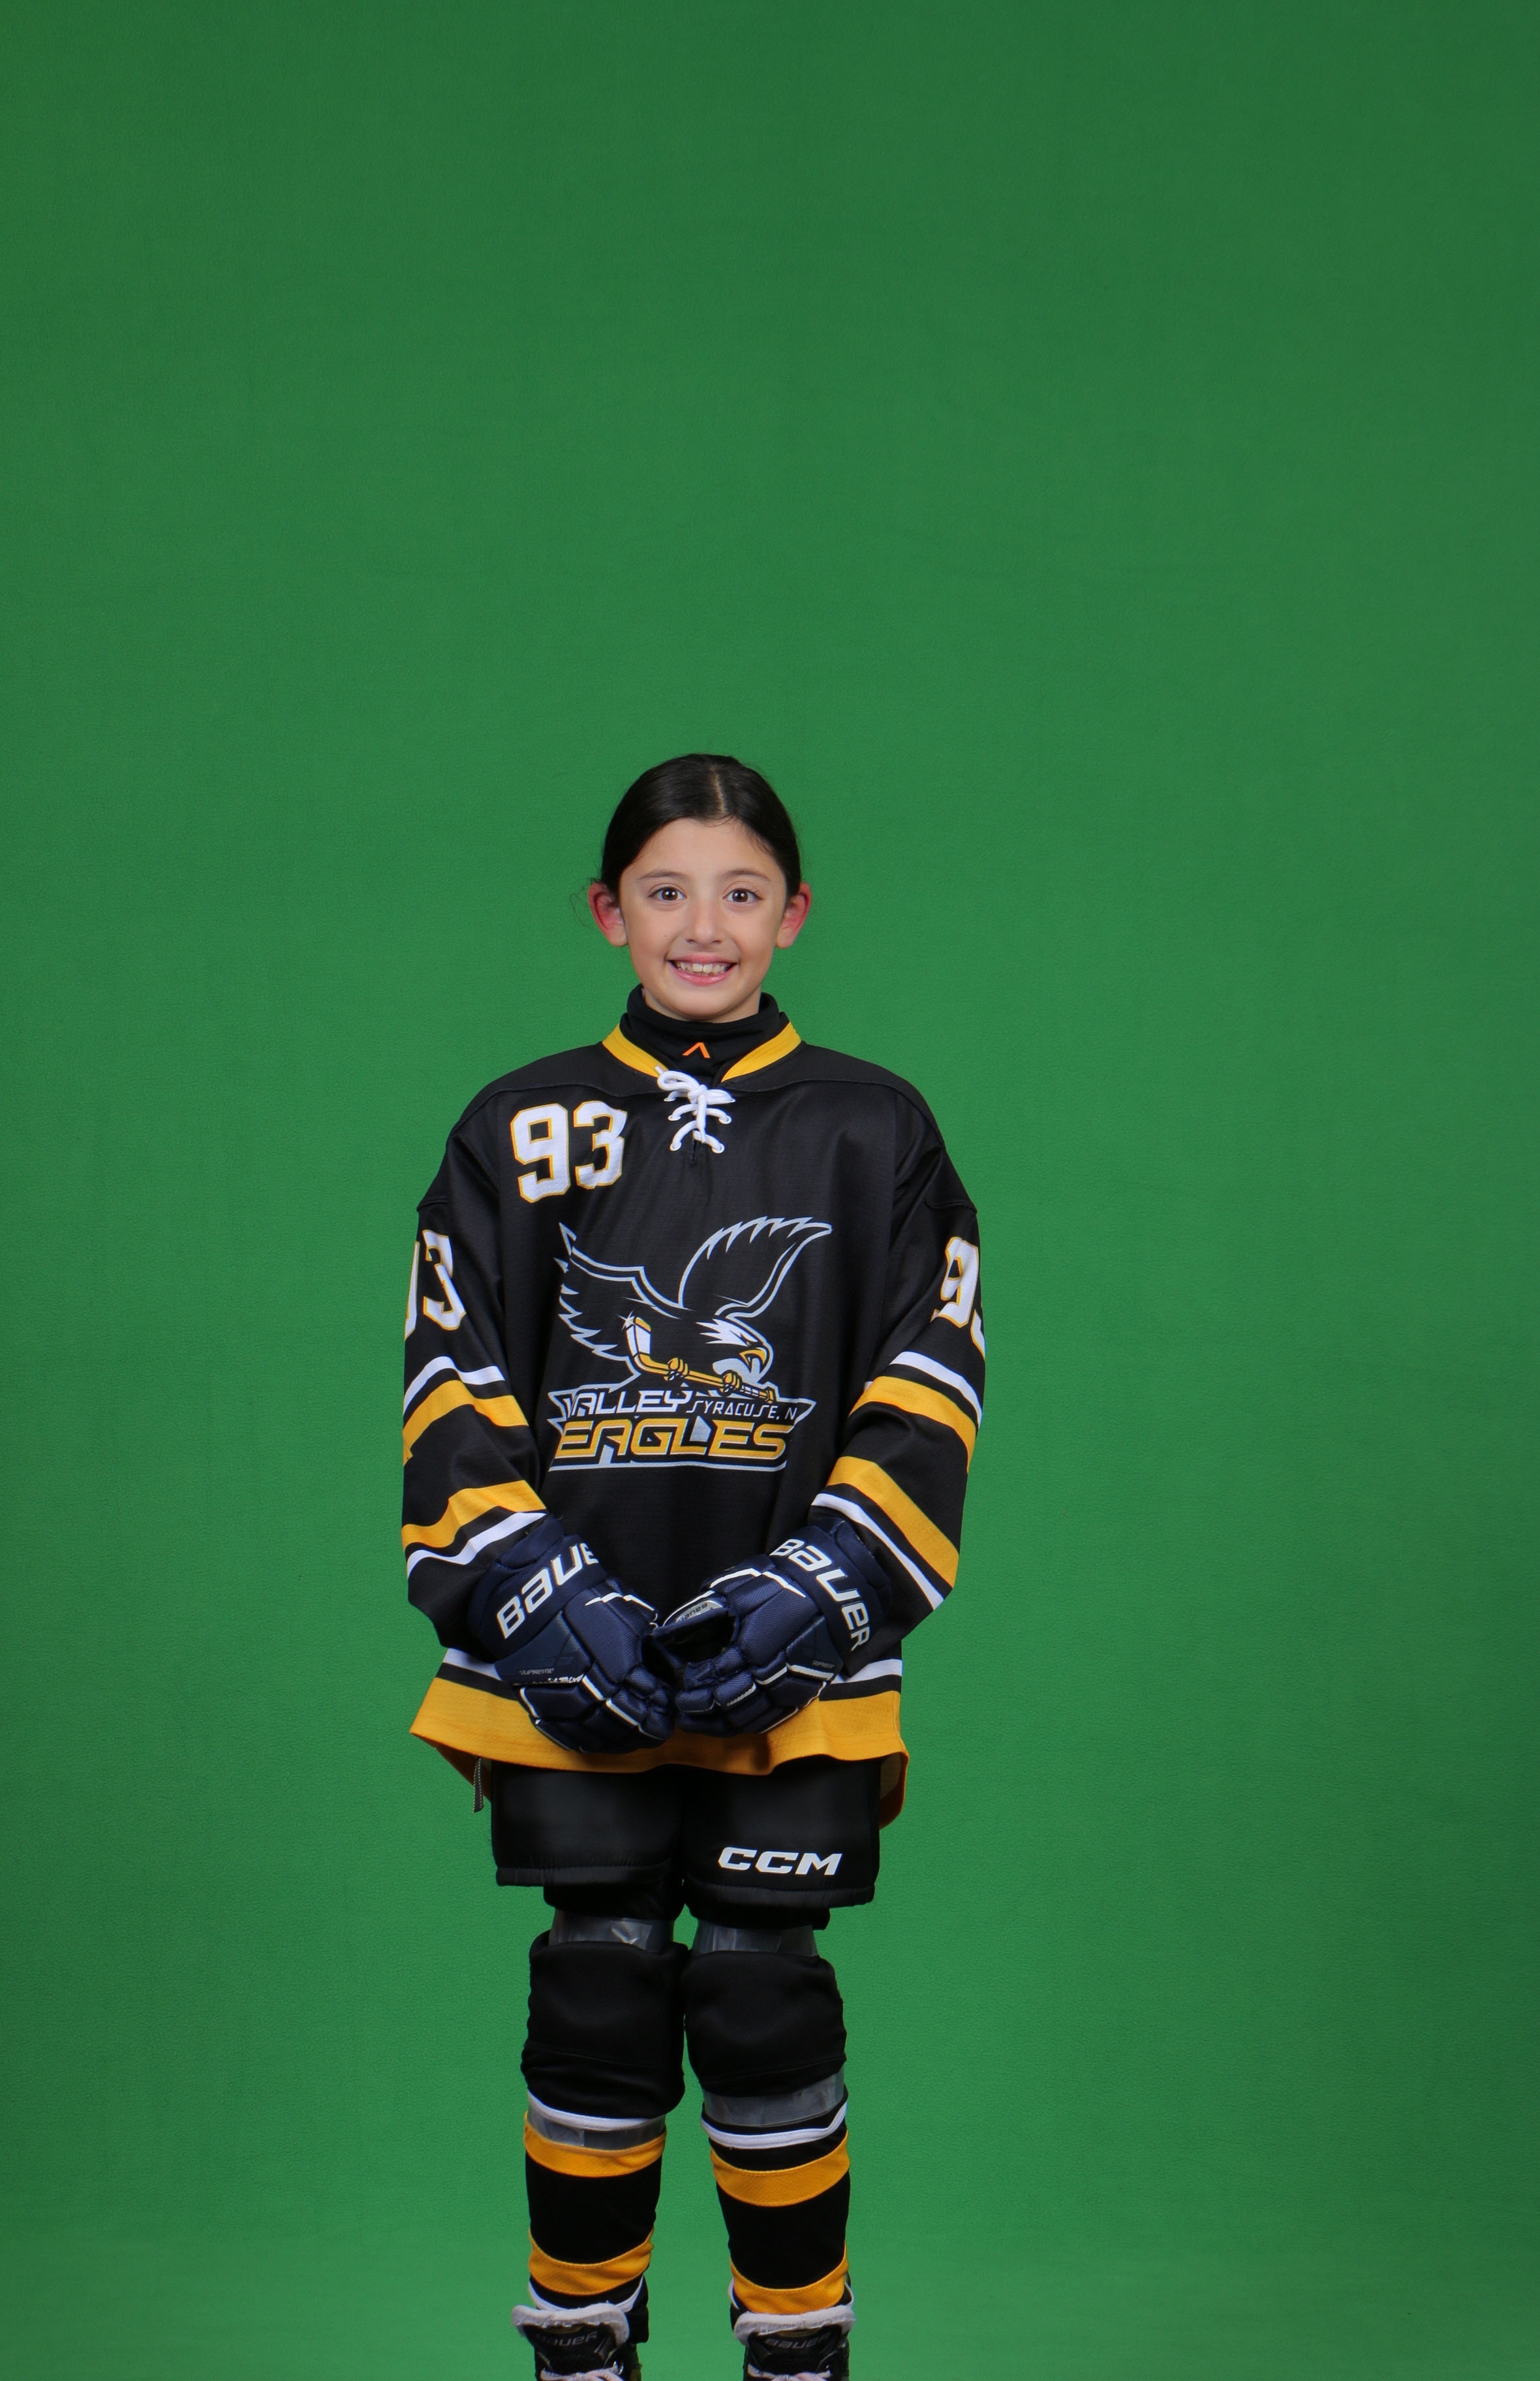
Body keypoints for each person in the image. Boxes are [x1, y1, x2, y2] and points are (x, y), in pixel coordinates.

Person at [401, 755, 985, 2380]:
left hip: (797, 1658)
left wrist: (830, 1579)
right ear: (609, 913)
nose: (703, 924)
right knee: (594, 1992)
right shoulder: (515, 1125)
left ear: (794, 915)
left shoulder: (875, 1126)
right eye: (666, 891)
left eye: (741, 892)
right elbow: (449, 1375)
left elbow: (932, 1373)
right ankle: (579, 2346)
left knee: (759, 1998)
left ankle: (797, 2350)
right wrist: (530, 1588)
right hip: (565, 1651)